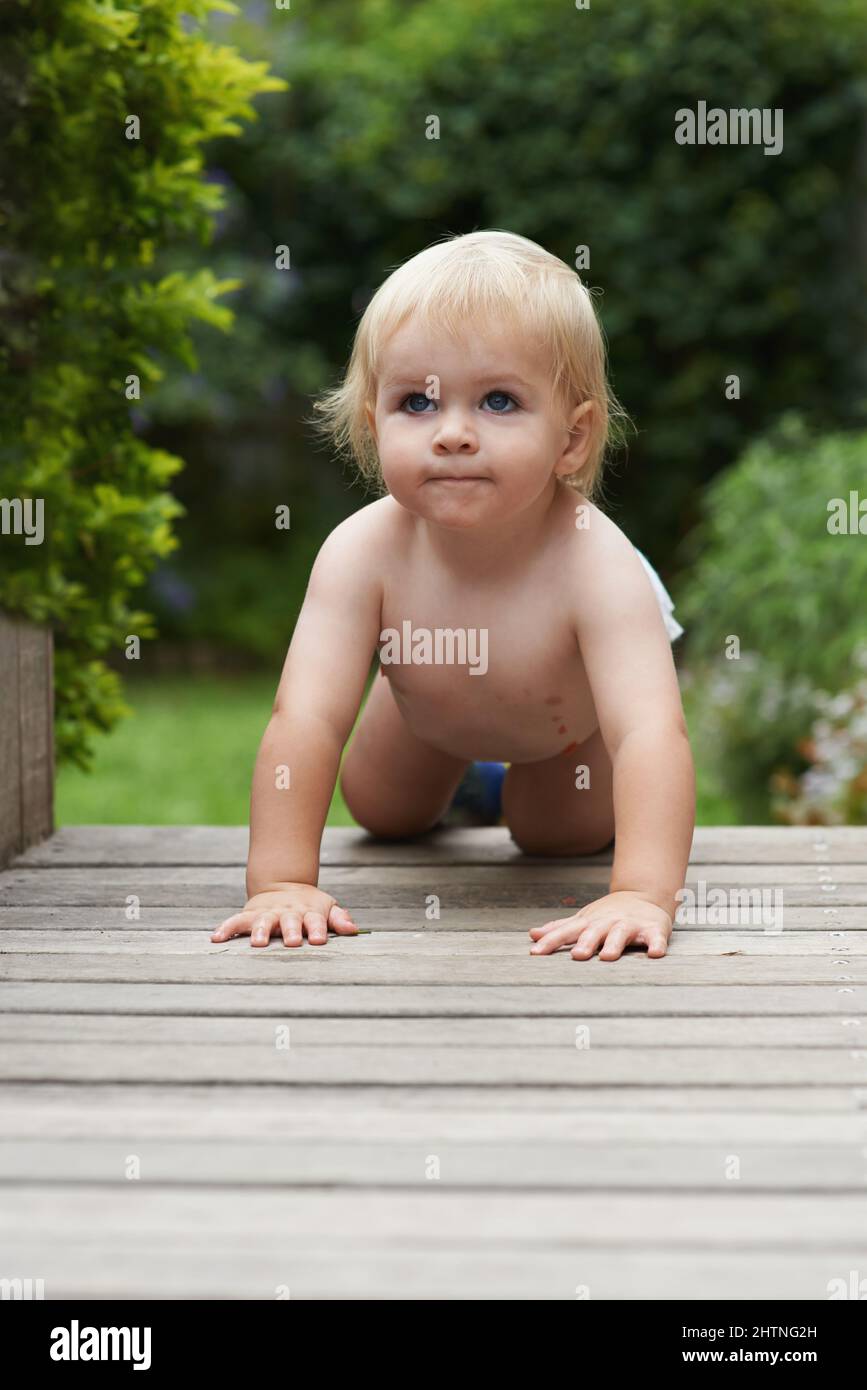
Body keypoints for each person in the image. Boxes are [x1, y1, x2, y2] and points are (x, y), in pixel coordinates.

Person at [211, 230, 695, 962]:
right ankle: (462, 775)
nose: (454, 434)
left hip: (563, 732)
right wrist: (278, 881)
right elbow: (304, 717)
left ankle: (496, 783)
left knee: (549, 837)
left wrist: (640, 892)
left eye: (498, 400)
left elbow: (649, 734)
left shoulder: (596, 563)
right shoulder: (361, 551)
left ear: (571, 438)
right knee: (383, 811)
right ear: (373, 430)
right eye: (417, 402)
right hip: (424, 710)